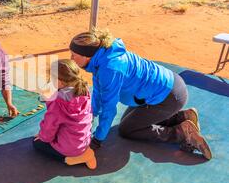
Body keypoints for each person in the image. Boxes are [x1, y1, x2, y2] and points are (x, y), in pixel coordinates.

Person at [69, 30, 212, 160]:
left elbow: (109, 107)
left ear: (87, 56)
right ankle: (182, 117)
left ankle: (181, 133)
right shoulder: (103, 55)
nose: (71, 58)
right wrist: (90, 115)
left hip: (169, 97)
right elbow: (99, 92)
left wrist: (97, 140)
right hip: (167, 87)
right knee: (127, 120)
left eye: (74, 55)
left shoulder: (110, 68)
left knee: (127, 130)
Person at [33, 59, 97, 169]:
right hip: (84, 140)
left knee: (37, 144)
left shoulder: (57, 103)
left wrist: (42, 137)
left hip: (70, 148)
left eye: (51, 78)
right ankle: (84, 150)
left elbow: (49, 127)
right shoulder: (83, 90)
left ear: (59, 81)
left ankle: (74, 158)